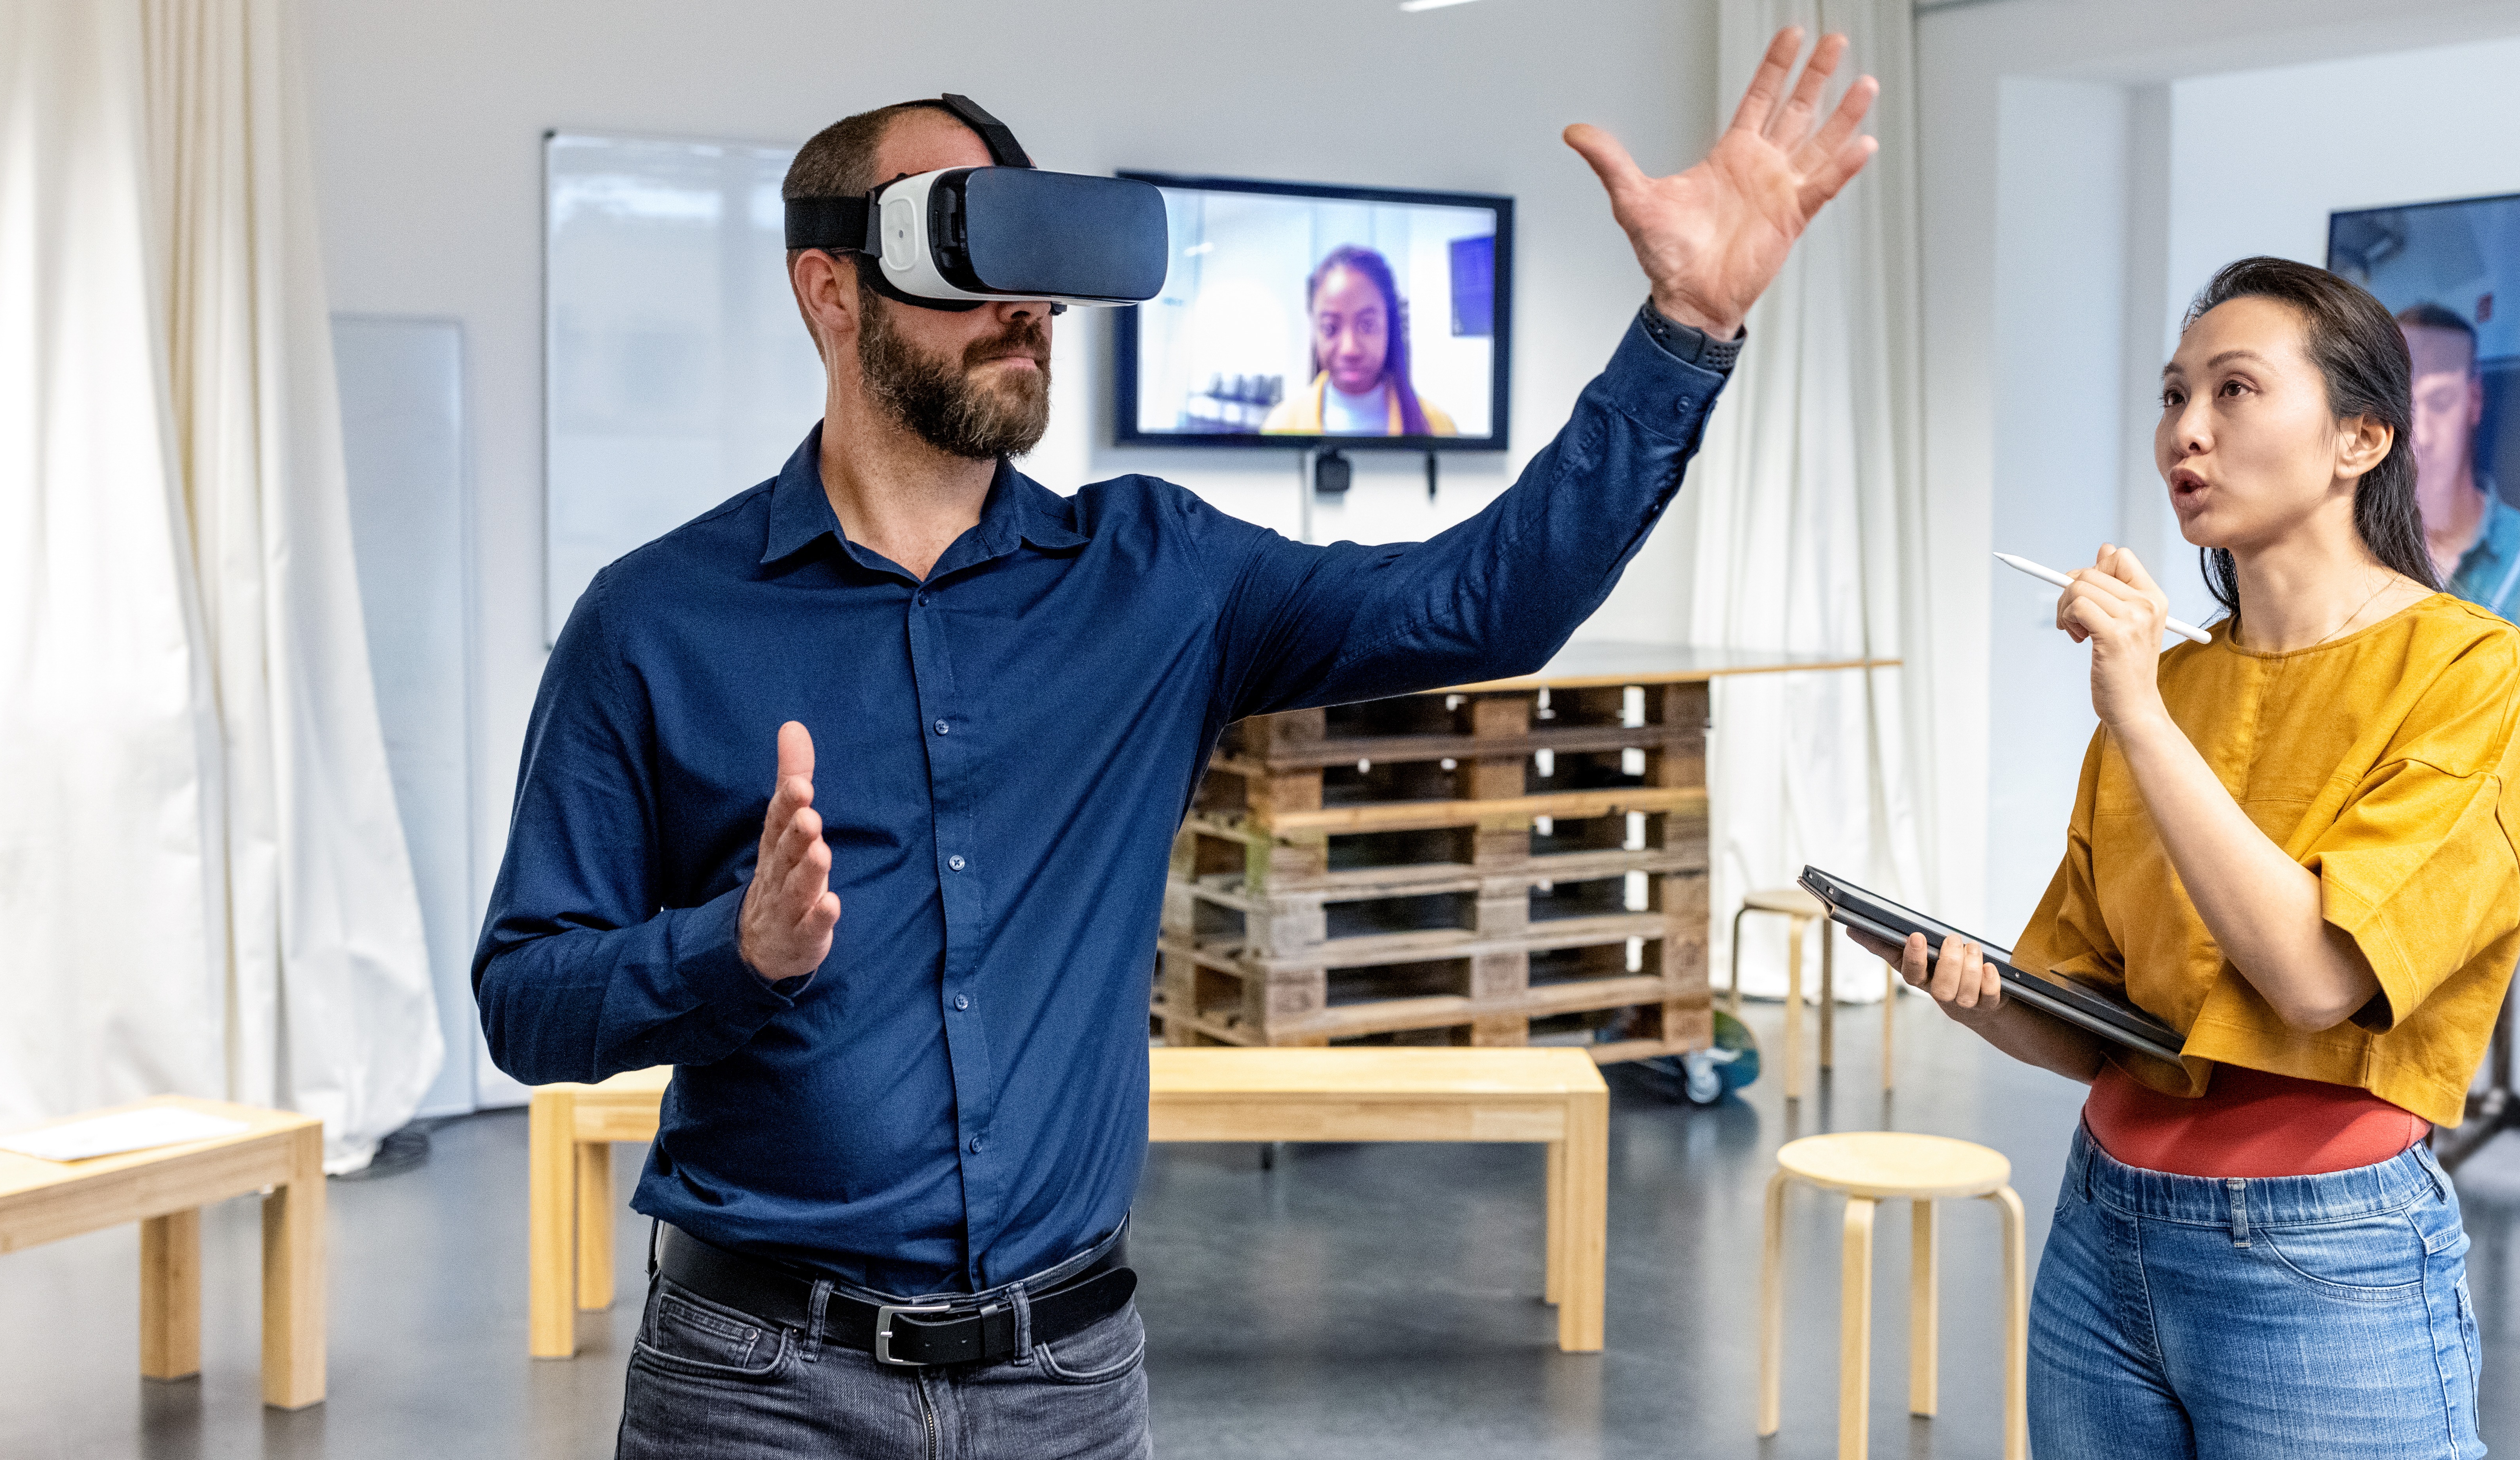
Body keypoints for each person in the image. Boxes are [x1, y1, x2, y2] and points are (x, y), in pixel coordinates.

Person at [473, 31, 1877, 1460]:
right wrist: (731, 951)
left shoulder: (1154, 577)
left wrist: (1685, 327)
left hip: (1060, 1385)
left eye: (1039, 262)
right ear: (829, 289)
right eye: (968, 251)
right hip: (755, 1390)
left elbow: (1487, 601)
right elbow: (524, 1000)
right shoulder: (654, 622)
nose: (1024, 307)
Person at [1855, 257, 2520, 1459]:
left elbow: (2314, 978)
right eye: (2175, 395)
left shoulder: (2474, 675)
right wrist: (1979, 996)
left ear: (2361, 439)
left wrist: (2137, 712)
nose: (2186, 430)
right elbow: (2093, 1019)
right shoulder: (2171, 683)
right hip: (2101, 1230)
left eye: (2235, 390)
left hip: (2323, 1256)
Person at [2397, 302, 2520, 618]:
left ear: (2475, 400)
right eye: (2404, 406)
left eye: (2440, 402)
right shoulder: (2356, 544)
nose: (2422, 435)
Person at [1258, 244, 1457, 436]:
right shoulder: (1281, 426)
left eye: (1368, 325)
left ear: (1389, 326)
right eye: (1331, 328)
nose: (1350, 349)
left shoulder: (1437, 427)